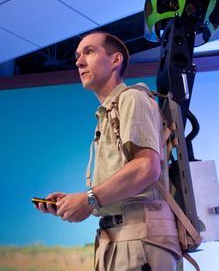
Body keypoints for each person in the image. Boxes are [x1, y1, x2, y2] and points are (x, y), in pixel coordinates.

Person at [35, 31, 181, 271]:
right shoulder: (108, 112)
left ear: (115, 60)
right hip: (119, 239)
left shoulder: (132, 98)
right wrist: (76, 201)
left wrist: (89, 199)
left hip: (139, 239)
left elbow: (146, 167)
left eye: (89, 52)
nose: (79, 61)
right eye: (77, 55)